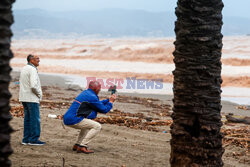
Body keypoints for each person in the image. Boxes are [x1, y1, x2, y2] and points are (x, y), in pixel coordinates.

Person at [63, 81, 116, 154]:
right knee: (97, 126)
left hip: (68, 118)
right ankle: (82, 146)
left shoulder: (86, 93)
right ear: (96, 89)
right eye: (99, 88)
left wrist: (108, 100)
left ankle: (77, 145)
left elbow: (98, 103)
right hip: (74, 119)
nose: (100, 90)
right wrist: (110, 102)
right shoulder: (92, 96)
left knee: (87, 126)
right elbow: (104, 110)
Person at [19, 54, 45, 146]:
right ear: (31, 60)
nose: (39, 60)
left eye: (39, 58)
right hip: (31, 98)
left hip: (24, 97)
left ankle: (26, 139)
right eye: (37, 58)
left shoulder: (24, 68)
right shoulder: (32, 69)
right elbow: (33, 85)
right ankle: (33, 139)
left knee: (28, 119)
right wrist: (39, 94)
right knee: (35, 119)